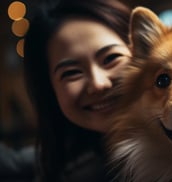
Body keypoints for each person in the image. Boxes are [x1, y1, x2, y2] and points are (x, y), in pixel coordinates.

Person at [23, 0, 131, 181]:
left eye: (111, 58)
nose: (98, 84)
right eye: (71, 73)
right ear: (50, 90)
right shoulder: (60, 169)